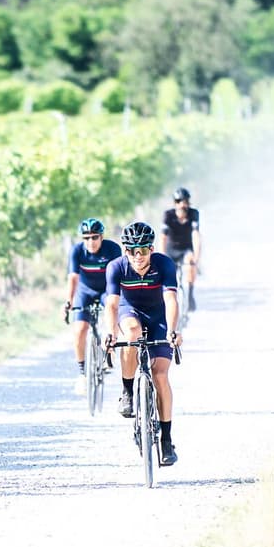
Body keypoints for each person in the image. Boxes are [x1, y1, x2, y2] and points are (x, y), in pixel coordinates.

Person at [104, 221, 182, 466]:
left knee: (160, 375)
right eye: (132, 251)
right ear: (125, 251)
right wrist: (109, 333)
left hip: (159, 315)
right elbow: (113, 305)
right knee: (132, 333)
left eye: (144, 250)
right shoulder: (116, 267)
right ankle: (127, 392)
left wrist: (172, 330)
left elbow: (170, 299)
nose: (138, 256)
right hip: (130, 311)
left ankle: (166, 440)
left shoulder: (164, 264)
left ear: (152, 249)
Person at [63, 217, 122, 377]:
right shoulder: (76, 251)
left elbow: (119, 275)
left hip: (106, 290)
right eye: (86, 238)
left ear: (101, 237)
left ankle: (108, 351)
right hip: (85, 292)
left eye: (95, 237)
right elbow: (73, 278)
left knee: (111, 315)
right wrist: (69, 301)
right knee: (80, 329)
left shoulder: (113, 249)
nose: (91, 242)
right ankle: (82, 370)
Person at [157, 186, 202, 310]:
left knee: (190, 261)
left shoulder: (193, 214)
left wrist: (197, 259)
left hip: (185, 249)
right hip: (171, 250)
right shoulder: (168, 215)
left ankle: (190, 294)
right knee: (165, 275)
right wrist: (162, 257)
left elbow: (196, 236)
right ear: (175, 203)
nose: (182, 205)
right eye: (179, 202)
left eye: (185, 201)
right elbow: (162, 238)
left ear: (188, 202)